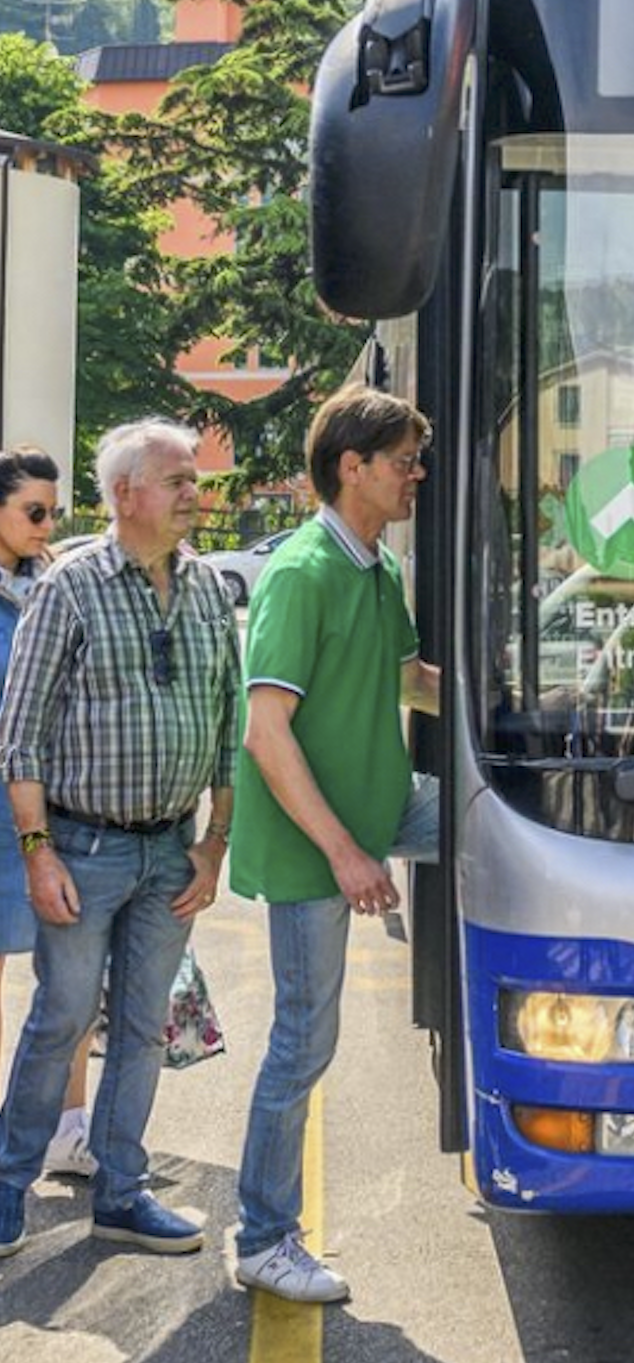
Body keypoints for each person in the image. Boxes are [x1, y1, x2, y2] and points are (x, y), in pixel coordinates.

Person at [0, 418, 239, 1262]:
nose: (194, 495)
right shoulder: (67, 588)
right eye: (177, 481)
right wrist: (38, 851)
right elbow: (19, 734)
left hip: (171, 851)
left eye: (195, 481)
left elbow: (226, 728)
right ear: (125, 495)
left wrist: (214, 846)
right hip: (84, 848)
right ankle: (5, 1192)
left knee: (140, 1029)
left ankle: (121, 1194)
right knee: (60, 1019)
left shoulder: (211, 590)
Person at [231, 384, 439, 1305]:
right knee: (303, 1042)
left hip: (385, 807)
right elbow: (265, 733)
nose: (416, 475)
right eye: (403, 461)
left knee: (497, 826)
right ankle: (263, 1237)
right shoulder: (303, 571)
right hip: (317, 846)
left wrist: (528, 698)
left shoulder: (375, 570)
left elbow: (410, 682)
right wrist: (350, 857)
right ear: (351, 468)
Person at [0, 448, 96, 1181]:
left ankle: (68, 1130)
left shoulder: (52, 584)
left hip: (48, 814)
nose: (49, 524)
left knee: (69, 983)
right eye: (35, 510)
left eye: (53, 511)